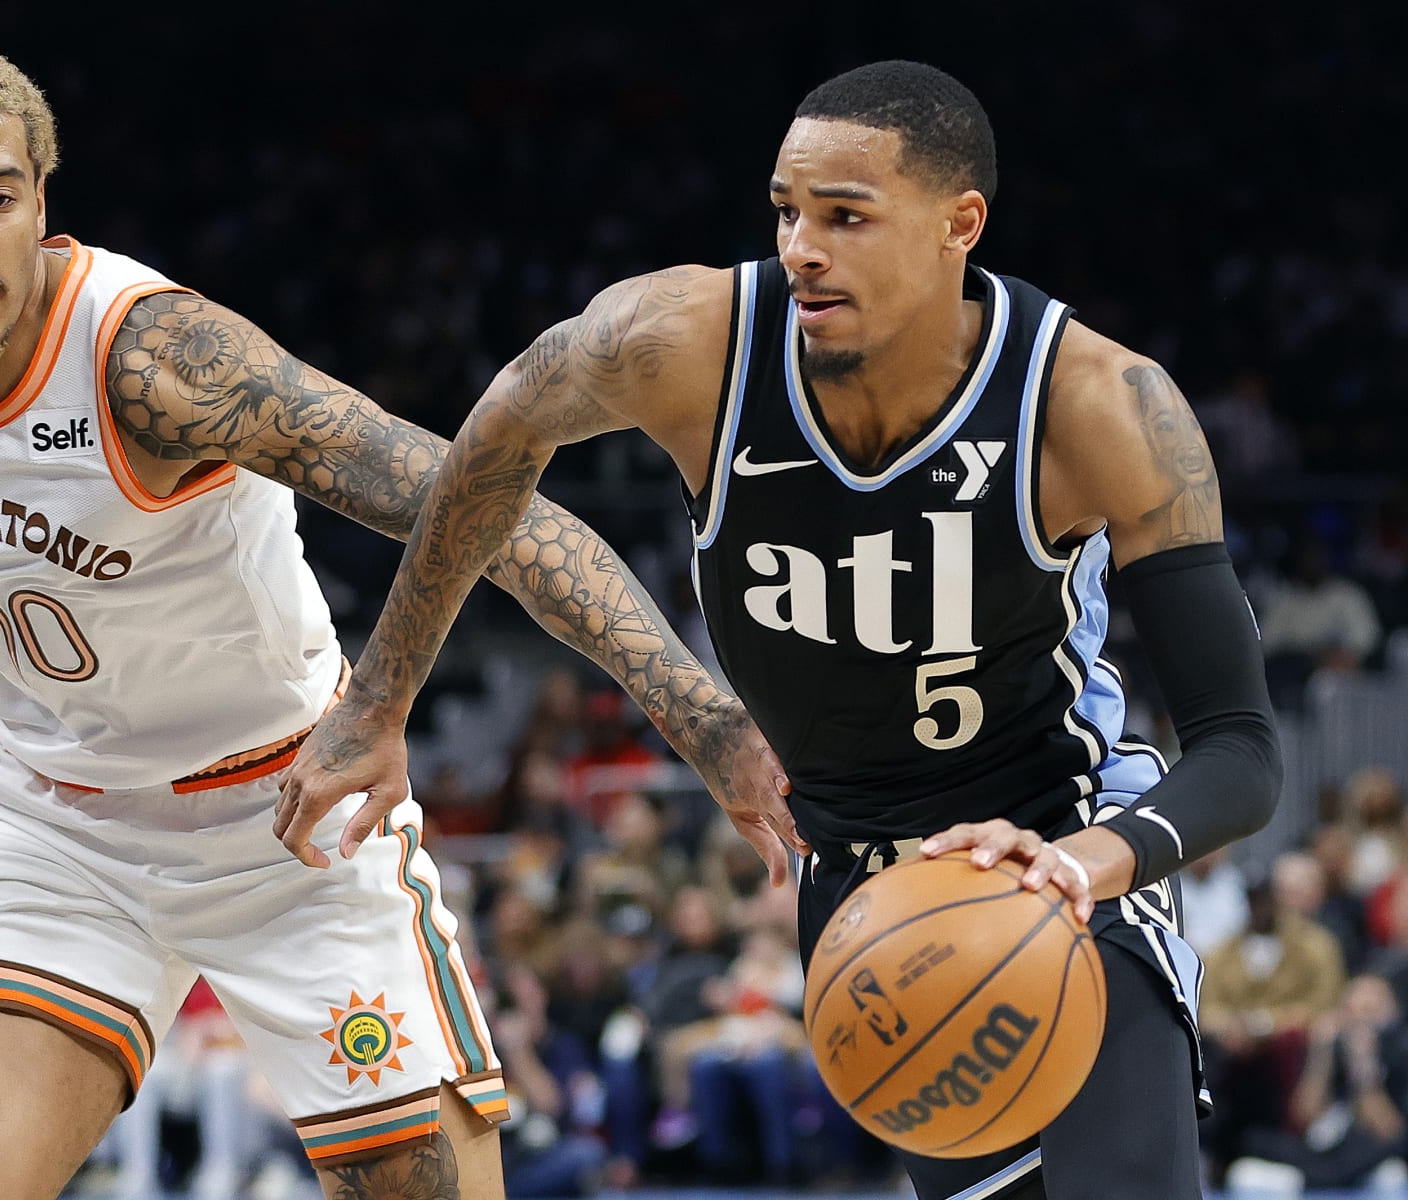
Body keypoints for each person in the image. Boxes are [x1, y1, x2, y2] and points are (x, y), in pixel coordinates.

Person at [0, 42, 800, 1200]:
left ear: (40, 206)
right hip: (57, 832)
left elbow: (485, 501)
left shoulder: (156, 360)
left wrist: (709, 724)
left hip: (290, 817)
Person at [286, 60, 1284, 1198]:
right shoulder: (680, 342)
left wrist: (1073, 868)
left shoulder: (1099, 404)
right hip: (861, 886)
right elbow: (492, 446)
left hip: (1060, 843)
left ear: (961, 226)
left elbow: (1242, 750)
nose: (803, 245)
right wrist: (378, 700)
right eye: (787, 210)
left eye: (846, 216)